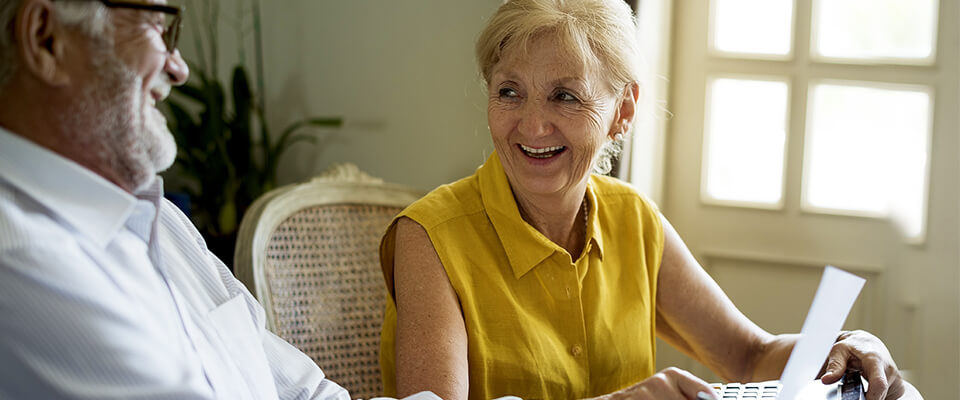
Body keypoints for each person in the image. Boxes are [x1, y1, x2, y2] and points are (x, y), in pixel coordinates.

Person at [377, 1, 923, 400]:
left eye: (565, 96)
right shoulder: (429, 237)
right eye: (509, 91)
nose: (532, 124)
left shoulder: (633, 219)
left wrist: (846, 344)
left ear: (624, 109)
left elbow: (750, 356)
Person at [0, 0, 349, 398]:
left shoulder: (161, 219)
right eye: (158, 26)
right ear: (46, 39)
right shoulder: (21, 256)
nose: (179, 69)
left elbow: (306, 393)